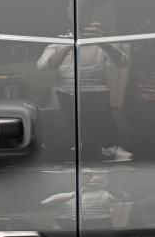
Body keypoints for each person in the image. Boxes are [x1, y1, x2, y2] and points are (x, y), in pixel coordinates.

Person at [38, 10, 133, 163]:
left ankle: (110, 149)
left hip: (97, 91)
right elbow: (43, 65)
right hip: (67, 92)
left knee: (104, 124)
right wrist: (69, 44)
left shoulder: (101, 39)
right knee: (75, 128)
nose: (82, 23)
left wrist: (103, 42)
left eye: (85, 17)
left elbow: (123, 62)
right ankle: (86, 151)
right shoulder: (60, 40)